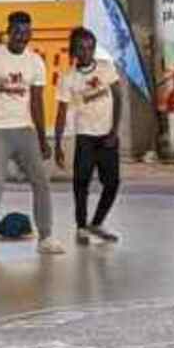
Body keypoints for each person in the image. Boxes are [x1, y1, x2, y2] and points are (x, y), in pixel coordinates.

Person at [0, 11, 65, 256]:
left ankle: (46, 237)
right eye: (17, 32)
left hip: (24, 129)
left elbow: (37, 103)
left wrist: (43, 138)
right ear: (8, 32)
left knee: (41, 181)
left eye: (26, 32)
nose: (22, 37)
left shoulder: (35, 62)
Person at [55, 28, 123, 245]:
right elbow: (61, 112)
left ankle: (98, 222)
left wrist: (114, 131)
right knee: (81, 182)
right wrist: (57, 144)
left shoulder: (105, 68)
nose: (86, 52)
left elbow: (118, 98)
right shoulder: (68, 78)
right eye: (81, 48)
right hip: (85, 135)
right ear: (74, 50)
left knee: (112, 183)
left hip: (107, 135)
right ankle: (81, 226)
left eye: (90, 47)